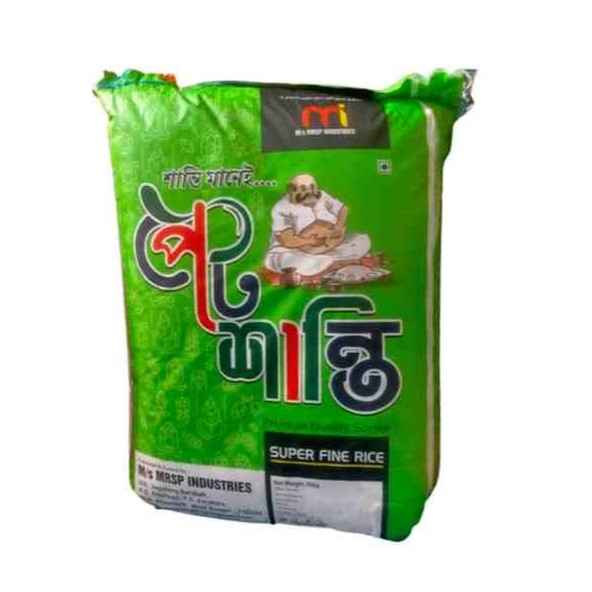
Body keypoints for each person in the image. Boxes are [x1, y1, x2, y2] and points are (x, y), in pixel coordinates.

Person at [263, 174, 377, 285]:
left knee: (362, 240)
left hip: (328, 248)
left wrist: (338, 227)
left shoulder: (322, 196)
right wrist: (310, 241)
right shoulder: (281, 208)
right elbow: (286, 240)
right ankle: (323, 271)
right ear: (292, 190)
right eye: (303, 189)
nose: (310, 192)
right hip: (292, 252)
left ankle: (327, 267)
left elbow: (343, 209)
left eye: (312, 187)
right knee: (296, 261)